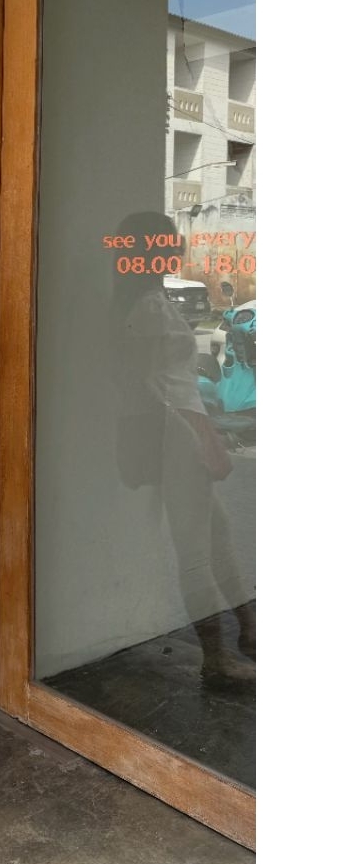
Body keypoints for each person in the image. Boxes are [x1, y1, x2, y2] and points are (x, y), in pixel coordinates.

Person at [110, 211, 255, 688]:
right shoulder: (148, 308)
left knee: (220, 534)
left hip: (180, 431)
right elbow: (151, 388)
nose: (176, 249)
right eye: (167, 242)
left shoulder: (149, 302)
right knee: (196, 548)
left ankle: (249, 631)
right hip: (177, 436)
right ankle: (217, 658)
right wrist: (199, 437)